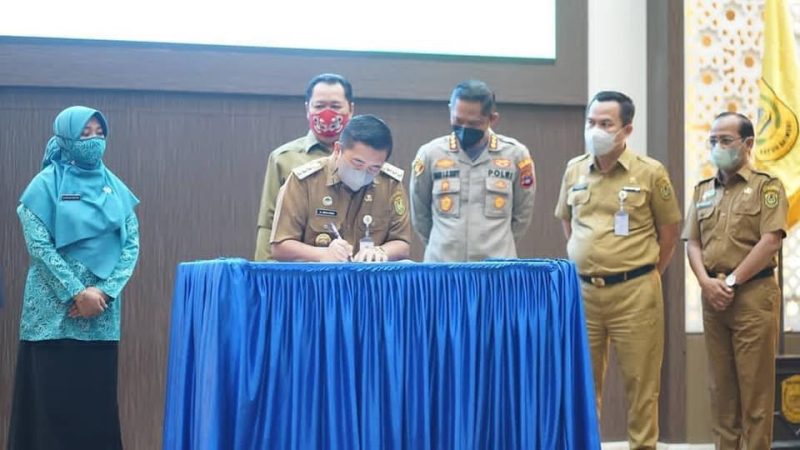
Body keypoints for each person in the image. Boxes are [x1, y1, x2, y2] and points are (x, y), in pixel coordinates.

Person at [554, 91, 681, 449]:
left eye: (605, 124)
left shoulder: (651, 172)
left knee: (641, 385)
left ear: (627, 129)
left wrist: (645, 272)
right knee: (582, 383)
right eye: (591, 122)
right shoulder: (574, 169)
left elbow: (669, 233)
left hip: (635, 292)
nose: (595, 130)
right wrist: (589, 256)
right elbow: (568, 221)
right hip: (583, 293)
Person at [8, 106, 140, 450]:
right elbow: (39, 247)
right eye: (85, 133)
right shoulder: (43, 186)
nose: (94, 140)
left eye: (100, 133)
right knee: (50, 413)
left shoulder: (115, 188)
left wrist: (104, 293)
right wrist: (77, 293)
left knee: (94, 412)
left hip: (101, 318)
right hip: (52, 317)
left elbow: (131, 246)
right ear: (66, 138)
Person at [683, 112, 787, 449]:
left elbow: (770, 241)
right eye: (713, 140)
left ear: (748, 143)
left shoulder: (767, 187)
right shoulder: (703, 190)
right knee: (721, 394)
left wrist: (730, 283)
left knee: (755, 395)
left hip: (753, 297)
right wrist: (706, 283)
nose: (718, 147)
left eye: (726, 140)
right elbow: (693, 243)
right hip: (713, 298)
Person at [409, 79, 536, 262]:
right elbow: (420, 214)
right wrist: (443, 244)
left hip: (496, 269)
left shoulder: (516, 156)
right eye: (458, 121)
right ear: (450, 110)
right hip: (442, 267)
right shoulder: (430, 154)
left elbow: (522, 215)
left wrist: (499, 247)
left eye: (473, 123)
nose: (464, 129)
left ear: (492, 119)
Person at [271, 114, 410, 262]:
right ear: (338, 150)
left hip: (369, 275)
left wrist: (381, 251)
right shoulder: (305, 181)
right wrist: (322, 254)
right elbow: (280, 246)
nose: (363, 171)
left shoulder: (390, 183)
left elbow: (402, 243)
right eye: (358, 162)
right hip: (317, 274)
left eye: (374, 167)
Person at [255, 73, 355, 260]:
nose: (327, 113)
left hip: (353, 267)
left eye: (335, 106)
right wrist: (264, 270)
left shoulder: (364, 159)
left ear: (350, 109)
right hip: (300, 269)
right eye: (319, 106)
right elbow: (268, 223)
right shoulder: (284, 158)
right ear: (307, 109)